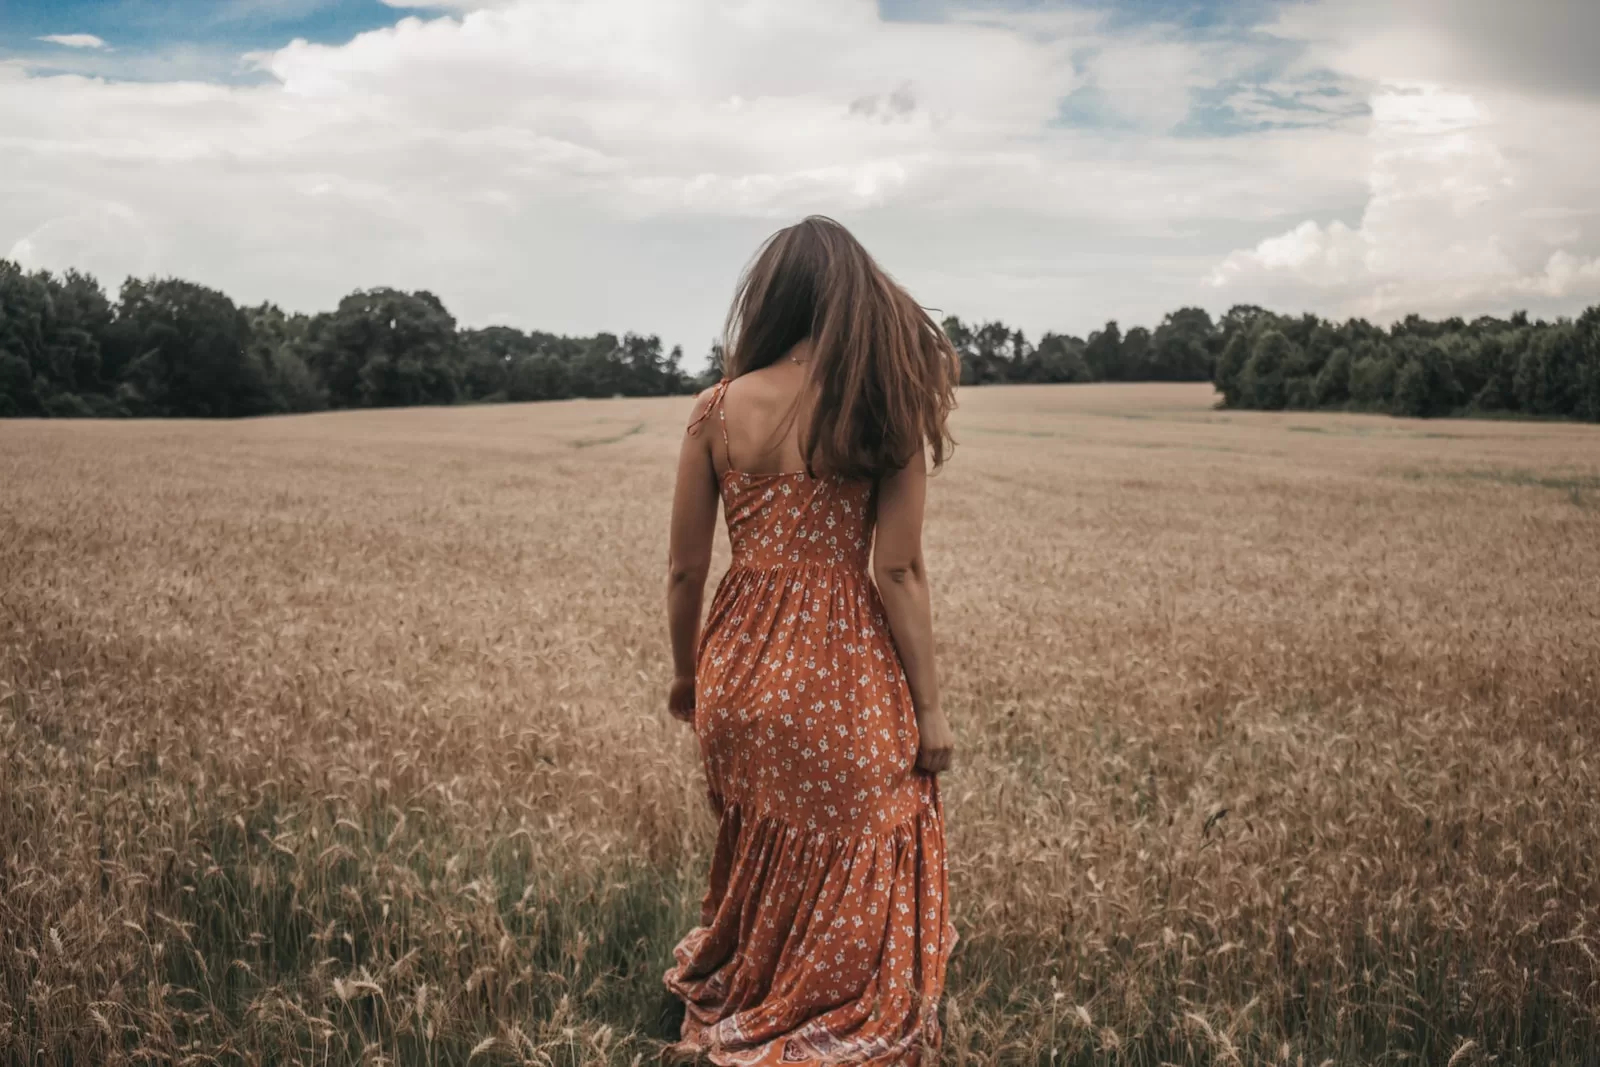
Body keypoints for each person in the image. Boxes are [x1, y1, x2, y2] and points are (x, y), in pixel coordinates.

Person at [662, 215, 959, 1065]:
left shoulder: (717, 410)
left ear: (774, 299)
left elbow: (685, 571)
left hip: (739, 669)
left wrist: (688, 678)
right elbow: (898, 572)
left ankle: (756, 981)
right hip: (844, 672)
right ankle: (832, 998)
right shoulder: (883, 406)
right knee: (871, 830)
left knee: (765, 840)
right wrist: (930, 712)